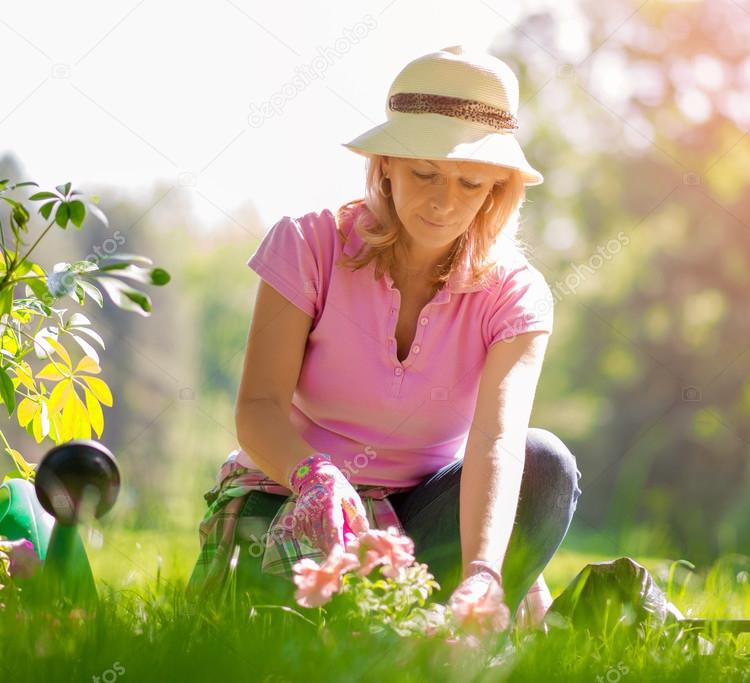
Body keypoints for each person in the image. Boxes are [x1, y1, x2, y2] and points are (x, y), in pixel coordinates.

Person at [185, 45, 582, 631]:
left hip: (422, 519)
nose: (443, 202)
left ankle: (459, 635)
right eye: (423, 173)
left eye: (470, 182)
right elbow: (259, 408)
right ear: (386, 164)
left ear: (497, 188)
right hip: (291, 500)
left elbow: (498, 442)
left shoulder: (516, 294)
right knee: (300, 639)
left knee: (545, 459)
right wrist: (316, 477)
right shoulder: (308, 246)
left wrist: (484, 571)